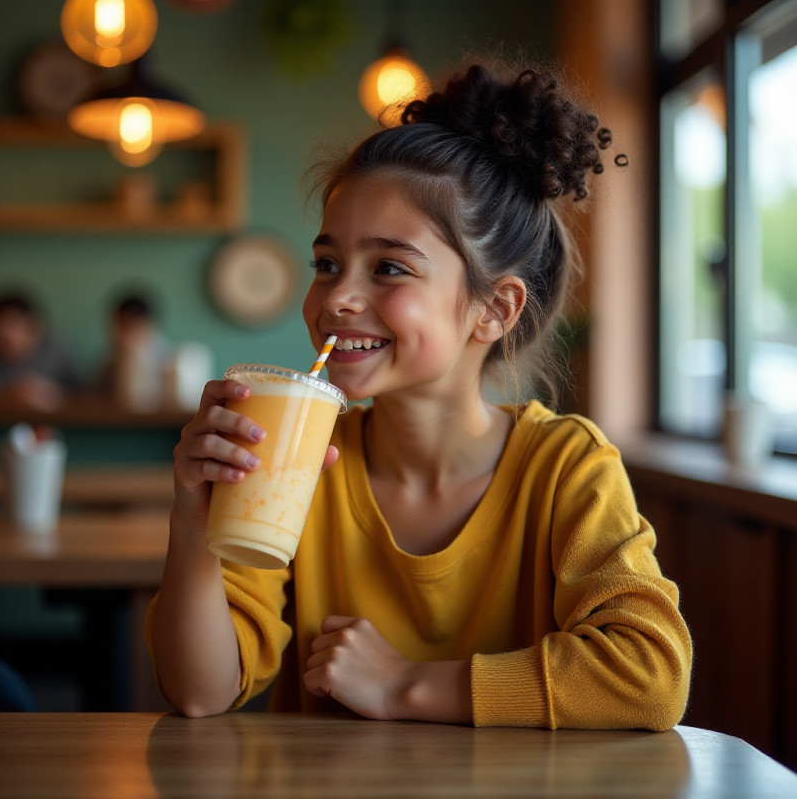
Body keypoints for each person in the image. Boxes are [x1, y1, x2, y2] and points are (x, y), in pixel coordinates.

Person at [147, 59, 692, 728]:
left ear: (494, 309)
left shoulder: (567, 468)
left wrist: (405, 686)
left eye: (390, 268)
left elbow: (651, 675)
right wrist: (194, 524)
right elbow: (199, 691)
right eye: (327, 264)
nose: (338, 297)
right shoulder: (297, 468)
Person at [0, 292, 80, 413]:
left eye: (11, 324)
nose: (5, 333)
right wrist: (11, 394)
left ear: (32, 324)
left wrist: (53, 396)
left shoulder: (57, 354)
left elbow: (82, 397)